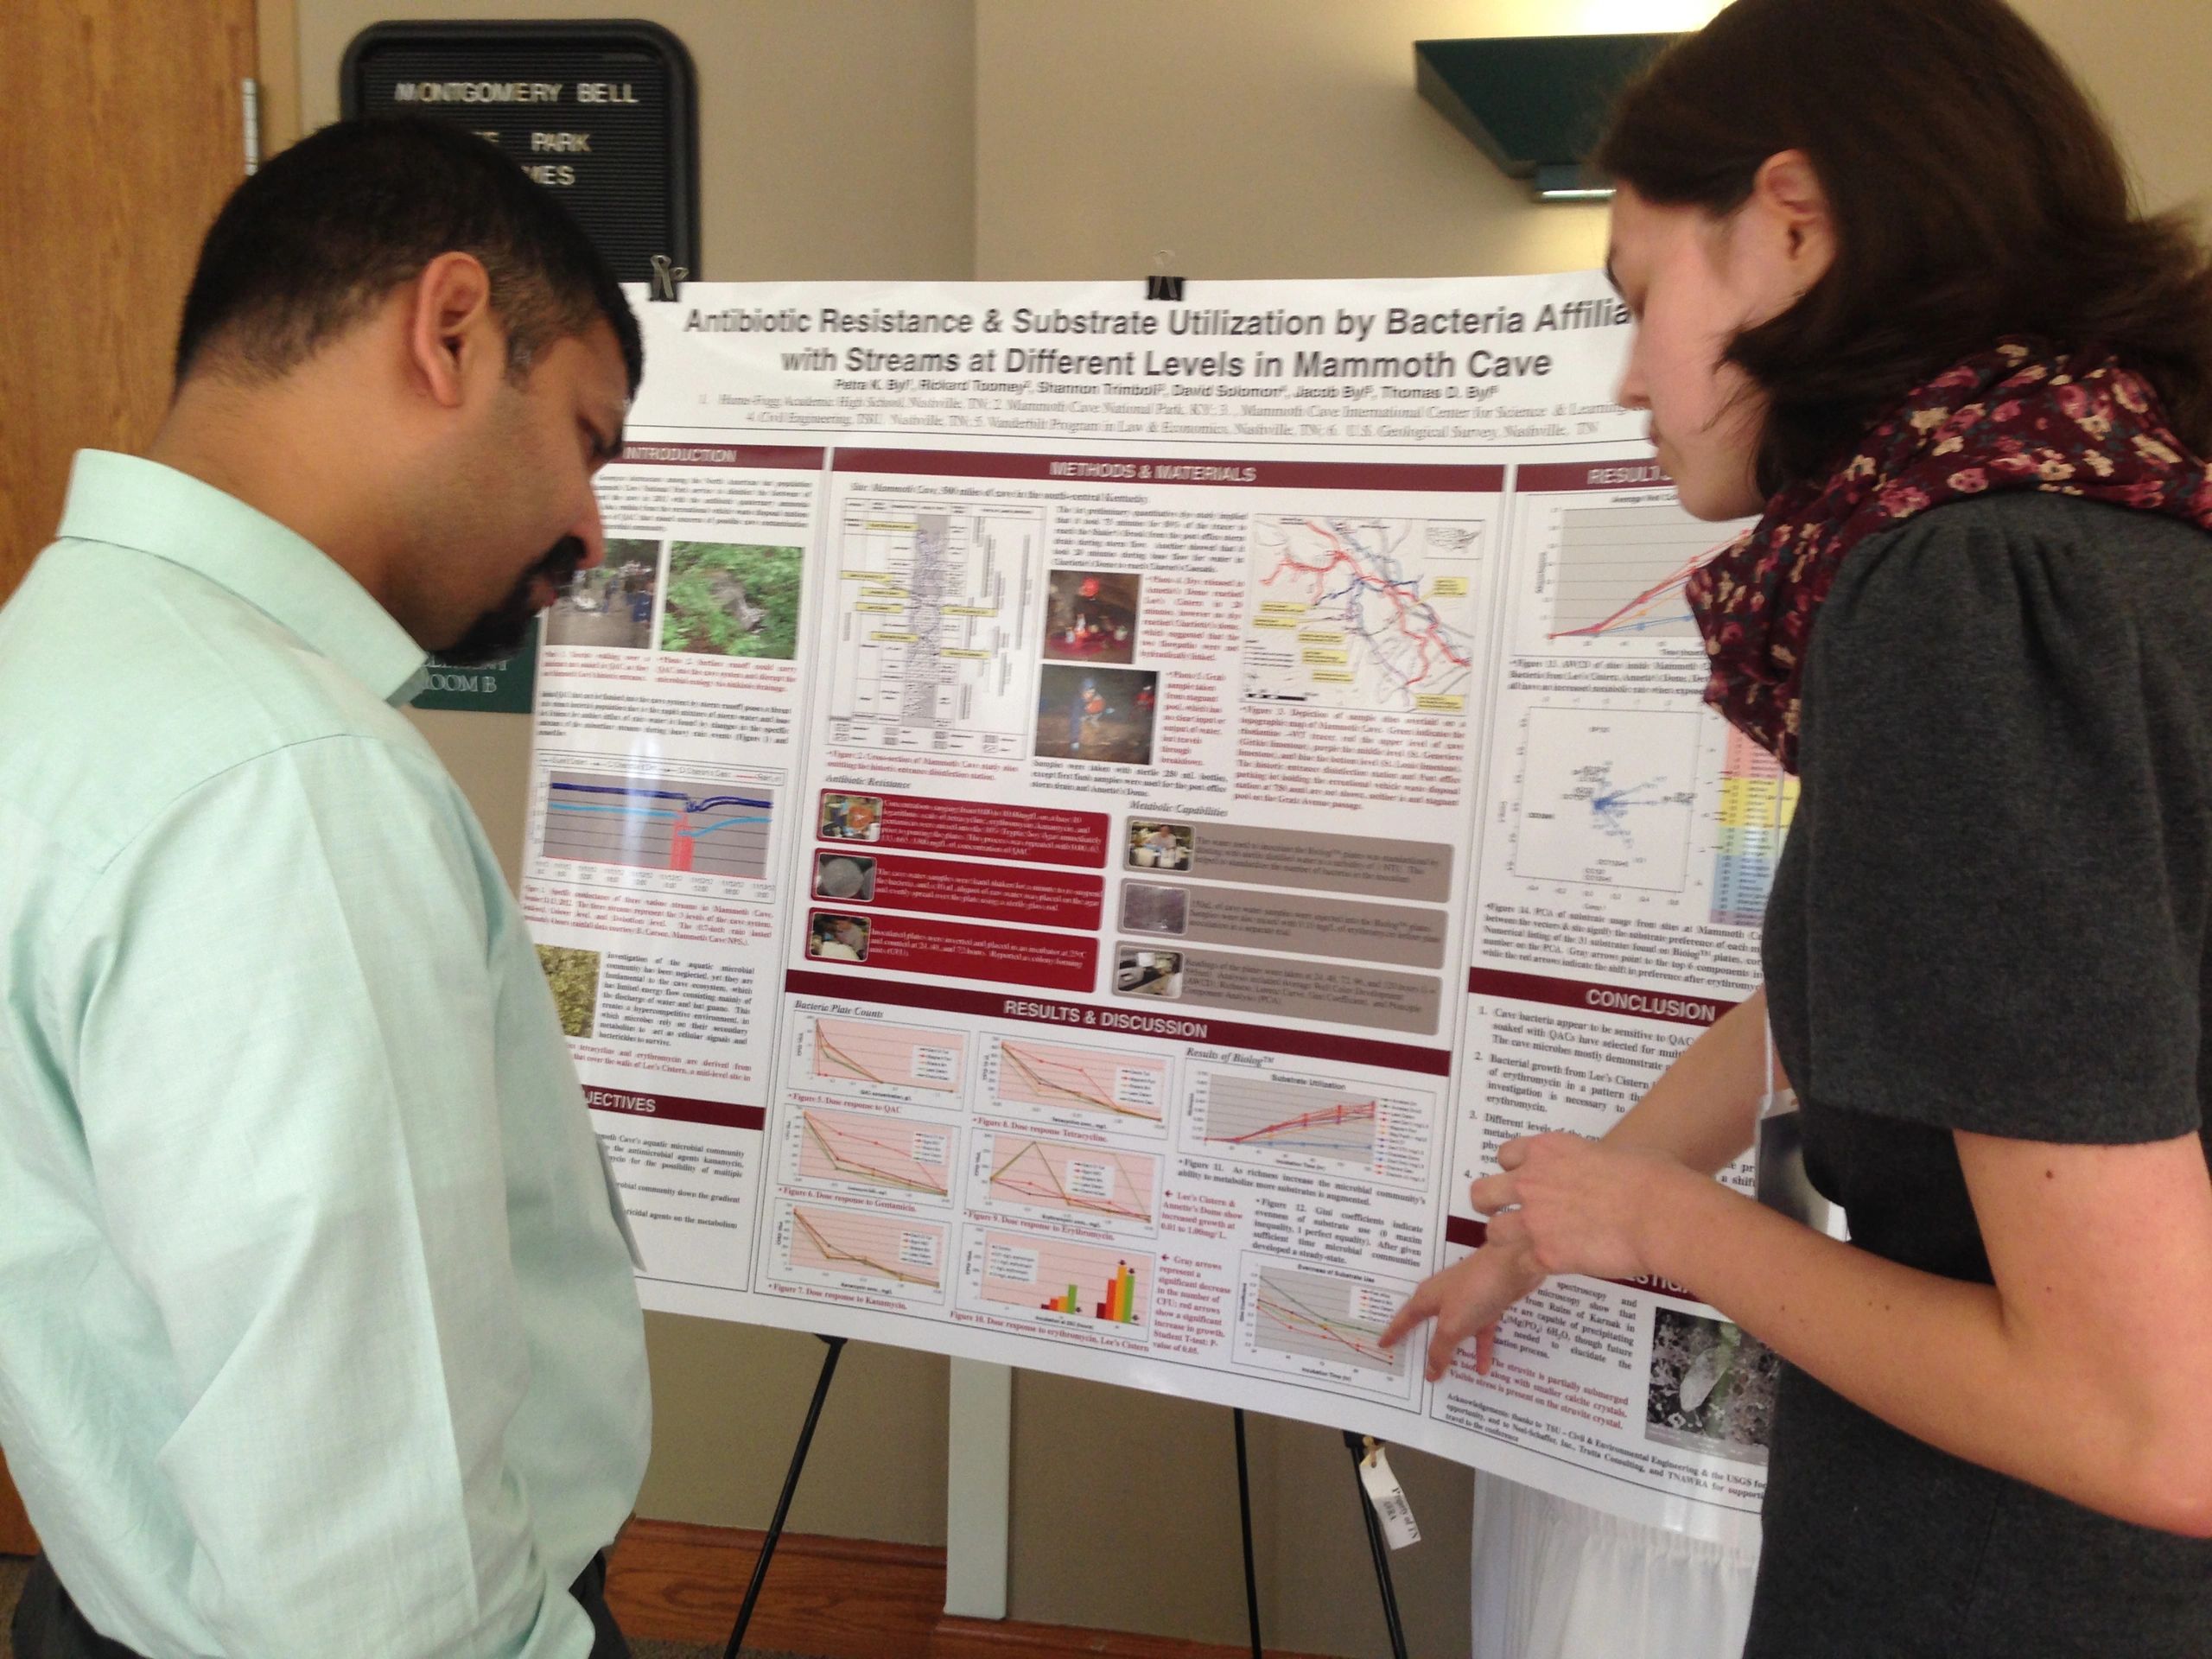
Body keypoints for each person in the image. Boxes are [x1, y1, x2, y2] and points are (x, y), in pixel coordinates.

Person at [1383, 1, 2212, 1652]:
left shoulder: (1964, 592)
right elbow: (1931, 991)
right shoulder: (2131, 519)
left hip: (2021, 1591)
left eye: (1638, 297)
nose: (1633, 376)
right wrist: (1558, 1226)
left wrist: (1661, 1224)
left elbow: (2151, 1423)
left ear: (1792, 224)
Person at [0, 119, 652, 1658]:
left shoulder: (51, 658)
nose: (589, 526)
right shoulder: (285, 779)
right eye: (585, 436)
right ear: (451, 330)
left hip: (118, 1593)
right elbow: (376, 1582)